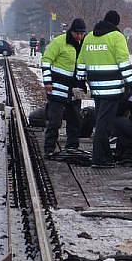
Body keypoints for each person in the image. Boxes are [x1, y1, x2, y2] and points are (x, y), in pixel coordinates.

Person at [76, 10, 132, 168]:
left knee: (103, 121)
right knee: (104, 123)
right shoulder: (117, 37)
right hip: (112, 89)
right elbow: (123, 63)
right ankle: (99, 159)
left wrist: (81, 81)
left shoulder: (89, 37)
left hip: (95, 87)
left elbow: (81, 61)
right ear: (116, 23)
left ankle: (105, 156)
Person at [41, 18, 87, 157]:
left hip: (74, 91)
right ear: (71, 31)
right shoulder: (60, 42)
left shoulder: (83, 45)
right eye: (77, 33)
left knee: (75, 120)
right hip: (57, 89)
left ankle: (72, 147)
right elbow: (46, 60)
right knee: (55, 121)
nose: (79, 36)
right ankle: (49, 149)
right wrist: (47, 82)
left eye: (82, 34)